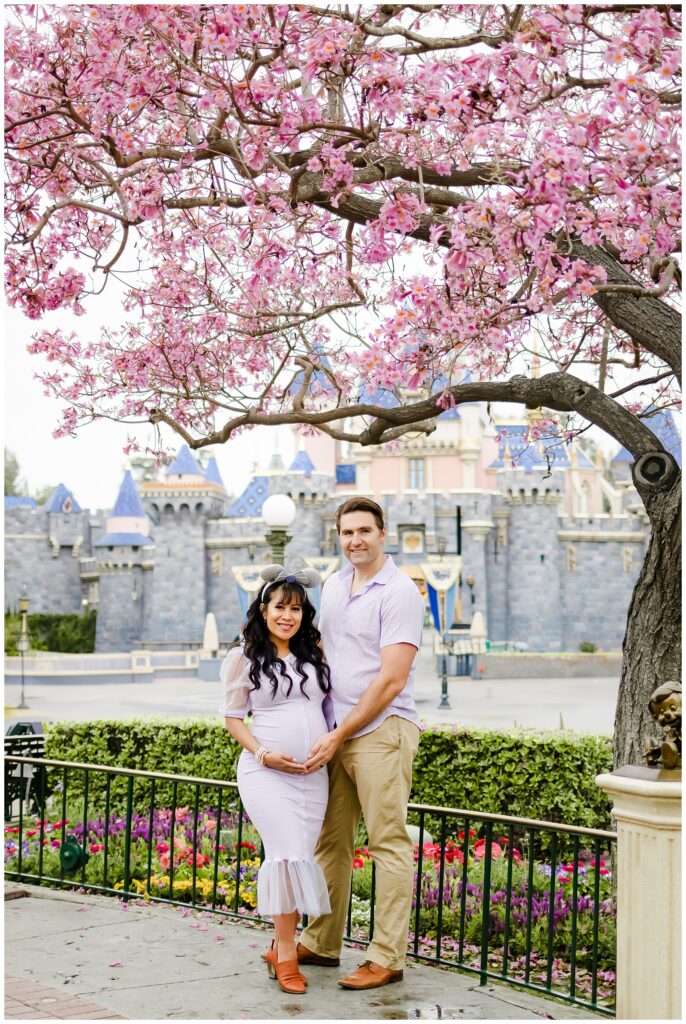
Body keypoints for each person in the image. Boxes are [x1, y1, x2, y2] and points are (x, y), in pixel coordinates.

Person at [299, 496, 425, 990]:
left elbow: (391, 679)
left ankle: (387, 956)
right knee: (330, 842)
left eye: (364, 531)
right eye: (347, 532)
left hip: (381, 732)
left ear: (382, 534)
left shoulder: (399, 593)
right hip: (337, 733)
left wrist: (340, 733)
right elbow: (324, 653)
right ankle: (321, 942)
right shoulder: (332, 585)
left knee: (387, 844)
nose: (355, 540)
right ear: (339, 535)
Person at [220, 561, 333, 996]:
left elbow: (326, 709)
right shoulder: (243, 656)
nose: (288, 616)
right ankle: (286, 954)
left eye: (297, 609)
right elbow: (233, 719)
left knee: (301, 856)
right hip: (266, 773)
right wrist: (265, 754)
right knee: (285, 856)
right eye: (280, 607)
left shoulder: (314, 652)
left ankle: (281, 945)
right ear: (263, 609)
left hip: (311, 775)